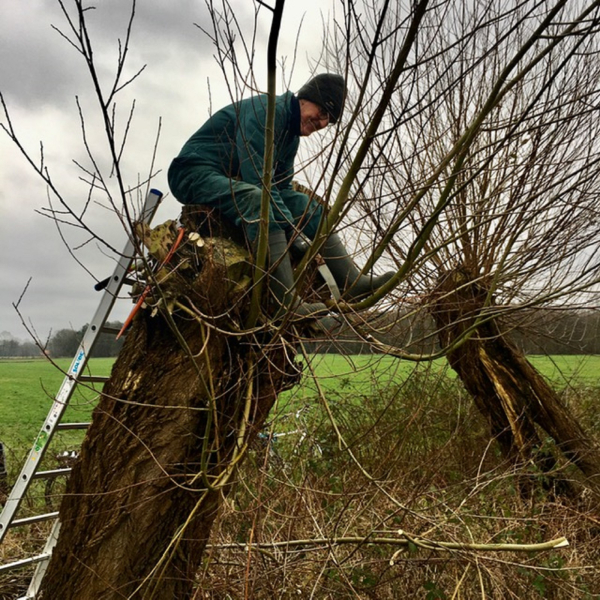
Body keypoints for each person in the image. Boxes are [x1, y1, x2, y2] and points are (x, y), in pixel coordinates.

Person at [168, 73, 393, 322]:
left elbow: (281, 186)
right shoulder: (266, 113)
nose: (319, 123)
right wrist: (289, 233)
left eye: (326, 121)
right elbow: (260, 181)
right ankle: (286, 304)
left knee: (305, 204)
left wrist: (298, 218)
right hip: (192, 173)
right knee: (256, 200)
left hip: (230, 180)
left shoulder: (289, 136)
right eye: (320, 113)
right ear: (306, 98)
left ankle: (351, 283)